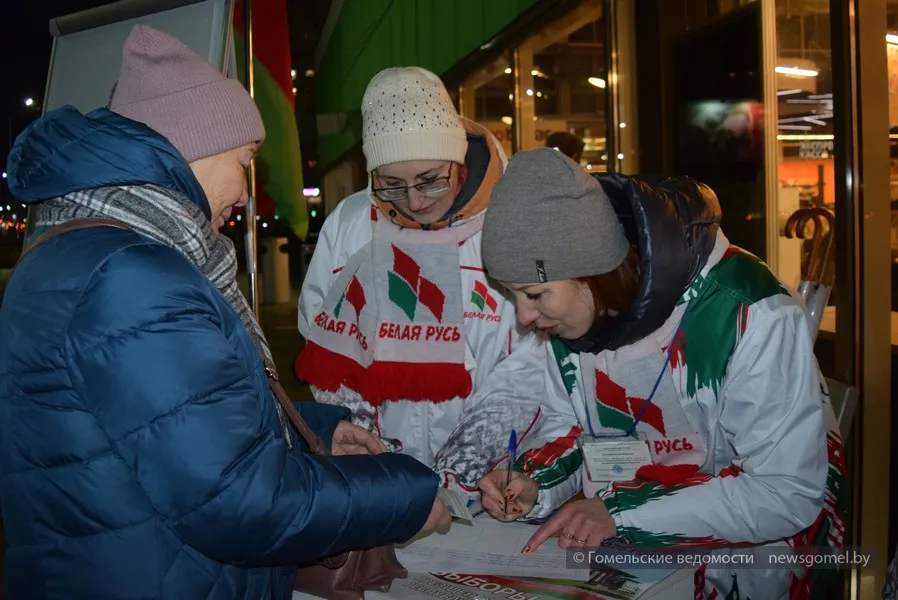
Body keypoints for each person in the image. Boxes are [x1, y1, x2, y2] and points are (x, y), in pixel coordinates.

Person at [0, 25, 449, 600]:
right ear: (196, 146)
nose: (245, 191)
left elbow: (164, 430)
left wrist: (310, 431)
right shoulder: (133, 277)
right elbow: (237, 501)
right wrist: (403, 494)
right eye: (243, 161)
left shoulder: (85, 248)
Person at [477, 147, 847, 599]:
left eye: (534, 293)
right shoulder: (575, 322)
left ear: (594, 271)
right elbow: (571, 425)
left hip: (751, 576)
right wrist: (535, 482)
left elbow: (784, 491)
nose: (524, 317)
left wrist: (622, 513)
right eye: (513, 295)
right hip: (634, 568)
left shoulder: (750, 312)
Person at [296, 66, 546, 500]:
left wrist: (460, 471)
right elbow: (325, 339)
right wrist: (369, 454)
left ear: (458, 160)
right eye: (392, 185)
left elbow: (533, 361)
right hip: (380, 484)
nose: (414, 201)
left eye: (430, 179)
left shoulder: (512, 222)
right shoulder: (352, 224)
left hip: (490, 483)